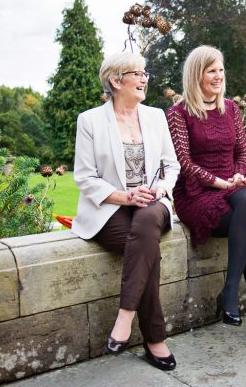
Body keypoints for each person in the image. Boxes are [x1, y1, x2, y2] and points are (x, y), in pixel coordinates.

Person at [165, 45, 246, 350]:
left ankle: (230, 290)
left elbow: (242, 153)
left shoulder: (230, 109)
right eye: (211, 71)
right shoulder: (178, 113)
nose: (219, 76)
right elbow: (184, 163)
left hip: (231, 187)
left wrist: (239, 176)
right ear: (197, 75)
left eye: (221, 70)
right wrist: (221, 182)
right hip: (195, 193)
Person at [73, 51, 181, 372]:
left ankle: (125, 315)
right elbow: (85, 177)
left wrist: (160, 189)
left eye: (145, 73)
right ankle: (155, 339)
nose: (144, 78)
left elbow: (172, 166)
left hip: (153, 202)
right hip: (110, 208)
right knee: (147, 252)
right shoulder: (90, 120)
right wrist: (126, 197)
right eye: (138, 73)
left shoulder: (156, 116)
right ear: (116, 80)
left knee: (147, 219)